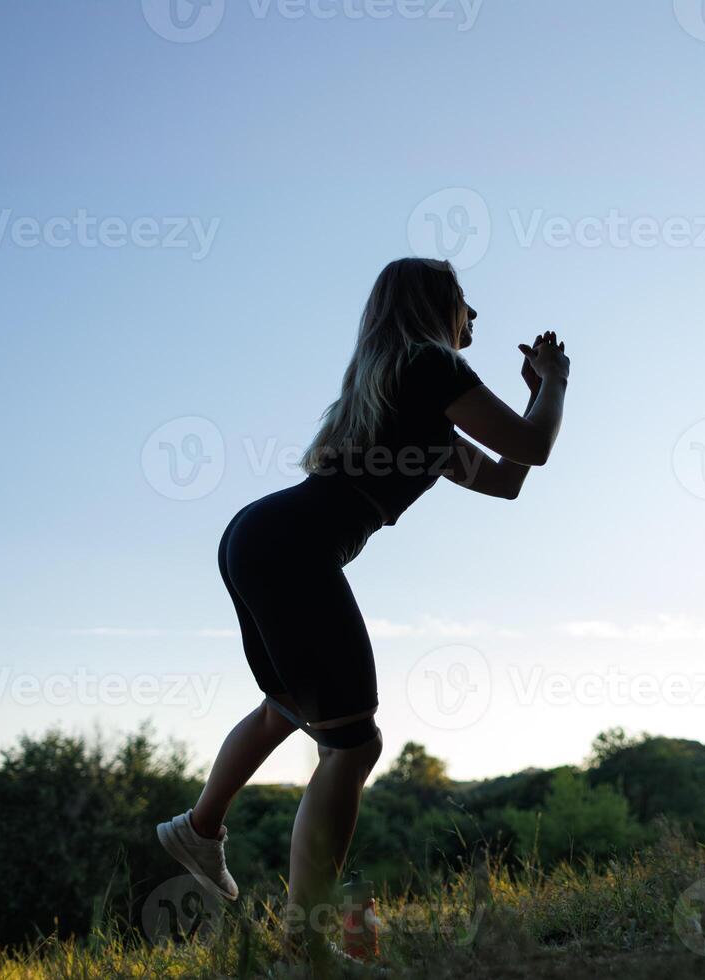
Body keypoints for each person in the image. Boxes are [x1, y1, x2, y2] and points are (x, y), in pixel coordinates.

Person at [156, 257, 570, 962]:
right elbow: (532, 446)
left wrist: (536, 402)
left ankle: (199, 830)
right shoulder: (431, 366)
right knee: (354, 744)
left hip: (257, 537)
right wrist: (554, 385)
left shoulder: (407, 397)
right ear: (438, 306)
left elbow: (507, 480)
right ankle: (303, 941)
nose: (476, 316)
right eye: (466, 302)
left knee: (288, 704)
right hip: (289, 549)